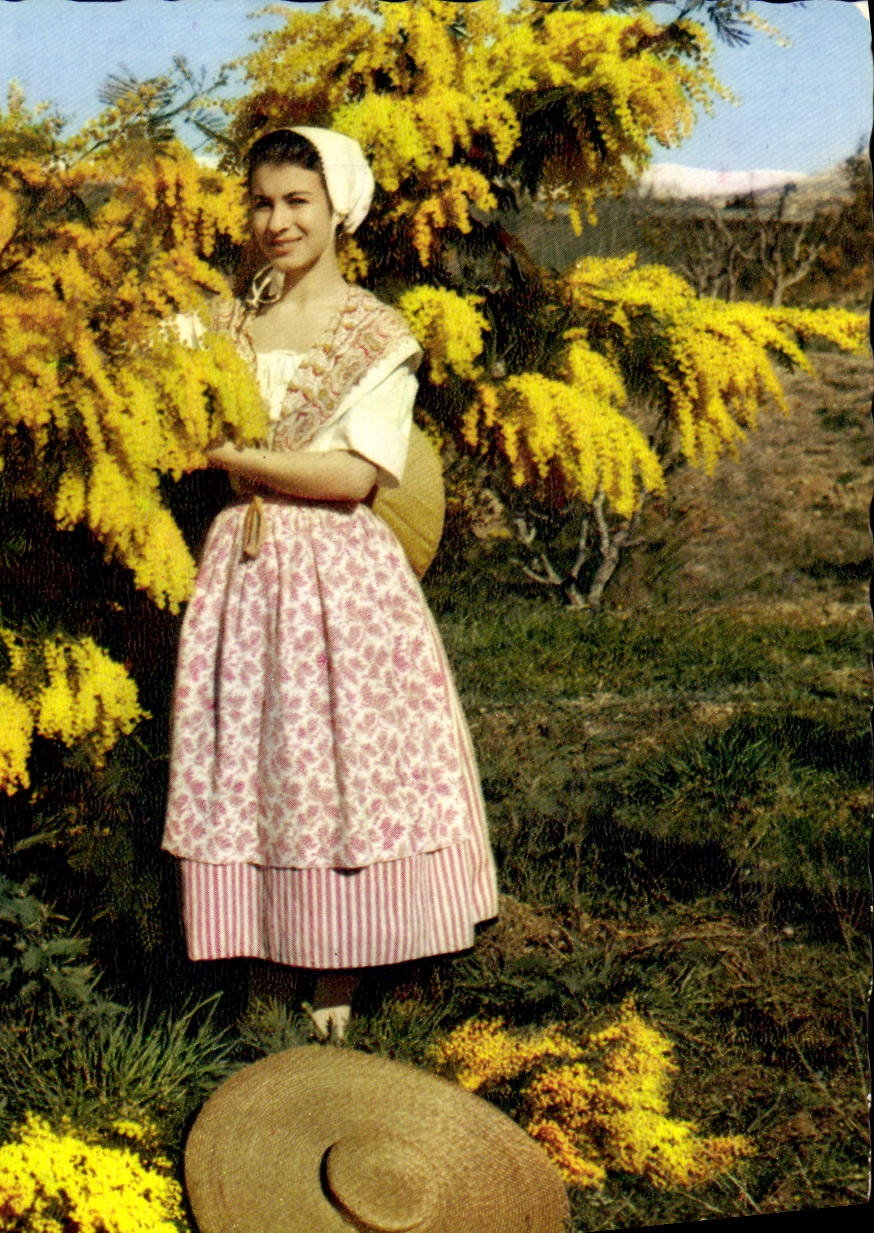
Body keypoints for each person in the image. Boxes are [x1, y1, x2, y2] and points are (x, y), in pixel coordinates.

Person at [162, 128, 496, 1041]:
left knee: (338, 766)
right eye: (263, 202)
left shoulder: (376, 336)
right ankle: (263, 963)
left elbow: (355, 476)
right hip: (242, 565)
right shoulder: (221, 325)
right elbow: (134, 373)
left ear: (338, 208)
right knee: (256, 761)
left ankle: (337, 981)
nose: (277, 222)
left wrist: (228, 452)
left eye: (298, 202)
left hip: (335, 573)